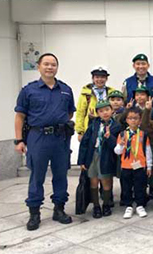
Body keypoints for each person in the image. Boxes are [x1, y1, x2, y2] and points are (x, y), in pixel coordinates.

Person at [14, 53, 75, 231]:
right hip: (38, 138)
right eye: (46, 64)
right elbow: (20, 116)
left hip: (60, 138)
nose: (50, 67)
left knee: (61, 175)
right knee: (37, 176)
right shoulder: (29, 90)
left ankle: (59, 209)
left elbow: (69, 112)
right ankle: (34, 213)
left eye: (53, 64)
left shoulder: (65, 89)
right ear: (39, 66)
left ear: (57, 67)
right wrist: (19, 140)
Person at [78, 100, 121, 218]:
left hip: (107, 156)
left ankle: (106, 204)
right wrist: (81, 160)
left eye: (107, 110)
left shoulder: (116, 126)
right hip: (93, 156)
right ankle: (96, 206)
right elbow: (85, 143)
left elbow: (117, 146)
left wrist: (109, 137)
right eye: (101, 111)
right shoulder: (93, 125)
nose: (105, 113)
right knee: (93, 181)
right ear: (97, 113)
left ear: (112, 111)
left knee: (106, 181)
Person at [114, 107, 153, 219]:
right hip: (126, 166)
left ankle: (140, 205)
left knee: (140, 186)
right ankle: (128, 206)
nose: (133, 121)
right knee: (126, 186)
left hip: (140, 165)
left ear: (140, 120)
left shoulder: (143, 134)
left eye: (136, 118)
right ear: (126, 120)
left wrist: (149, 166)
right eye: (130, 118)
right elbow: (117, 151)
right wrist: (120, 144)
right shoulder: (122, 134)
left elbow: (148, 151)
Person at [75, 66, 115, 142]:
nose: (100, 80)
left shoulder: (111, 92)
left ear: (106, 79)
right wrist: (80, 131)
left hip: (108, 128)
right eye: (97, 77)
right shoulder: (86, 94)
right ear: (93, 78)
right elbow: (80, 112)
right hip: (90, 128)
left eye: (102, 77)